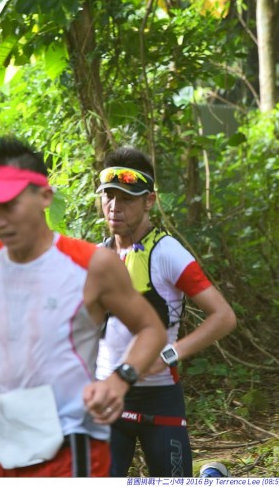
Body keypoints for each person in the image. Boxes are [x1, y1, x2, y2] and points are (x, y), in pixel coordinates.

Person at [0, 137, 167, 478]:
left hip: (73, 452)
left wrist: (120, 379)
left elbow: (151, 329)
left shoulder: (92, 265)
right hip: (4, 451)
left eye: (10, 205)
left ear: (45, 197)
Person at [95, 146, 237, 478]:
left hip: (159, 397)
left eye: (127, 198)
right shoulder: (96, 256)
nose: (114, 206)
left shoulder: (168, 252)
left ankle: (213, 478)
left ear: (149, 201)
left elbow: (224, 317)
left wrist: (172, 353)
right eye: (109, 196)